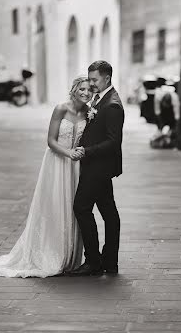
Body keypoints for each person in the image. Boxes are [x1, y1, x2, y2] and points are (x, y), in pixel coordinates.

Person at [0, 76, 92, 278]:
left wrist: (80, 152)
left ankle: (68, 257)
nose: (85, 93)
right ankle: (51, 254)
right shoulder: (61, 108)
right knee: (55, 206)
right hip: (57, 162)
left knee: (72, 208)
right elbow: (51, 141)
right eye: (82, 89)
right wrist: (68, 153)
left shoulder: (89, 112)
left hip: (75, 167)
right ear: (75, 89)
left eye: (89, 90)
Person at [69, 60, 124, 277]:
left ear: (107, 78)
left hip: (98, 167)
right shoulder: (101, 98)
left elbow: (113, 141)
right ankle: (109, 261)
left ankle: (93, 261)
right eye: (89, 79)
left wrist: (87, 150)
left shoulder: (112, 104)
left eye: (94, 79)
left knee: (81, 207)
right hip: (97, 165)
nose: (91, 84)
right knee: (109, 213)